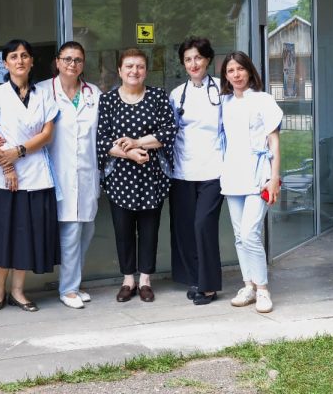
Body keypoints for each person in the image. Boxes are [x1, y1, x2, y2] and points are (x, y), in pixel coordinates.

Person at [0, 39, 59, 313]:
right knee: (3, 234)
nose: (20, 61)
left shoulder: (43, 95)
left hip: (35, 175)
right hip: (2, 178)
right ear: (5, 63)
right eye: (13, 56)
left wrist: (19, 151)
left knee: (25, 235)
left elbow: (47, 135)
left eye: (25, 56)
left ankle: (18, 291)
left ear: (32, 61)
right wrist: (8, 167)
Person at [96, 48, 176, 303]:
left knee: (149, 230)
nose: (134, 71)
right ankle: (128, 279)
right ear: (120, 71)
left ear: (146, 70)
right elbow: (101, 140)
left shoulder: (157, 96)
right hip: (120, 176)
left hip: (152, 175)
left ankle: (145, 280)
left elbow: (168, 131)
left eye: (140, 66)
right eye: (129, 66)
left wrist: (137, 142)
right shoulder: (108, 100)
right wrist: (129, 153)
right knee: (123, 230)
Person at [35, 41, 100, 309]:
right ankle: (68, 289)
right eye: (67, 59)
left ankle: (74, 282)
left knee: (86, 230)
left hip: (87, 172)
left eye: (78, 60)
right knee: (70, 232)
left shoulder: (93, 93)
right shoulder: (42, 91)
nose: (72, 64)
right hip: (56, 172)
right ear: (57, 62)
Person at [219, 51, 282, 314]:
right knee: (239, 236)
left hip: (259, 175)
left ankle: (263, 289)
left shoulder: (263, 100)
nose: (236, 74)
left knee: (249, 233)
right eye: (231, 70)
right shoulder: (224, 103)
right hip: (232, 174)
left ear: (249, 71)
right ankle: (248, 286)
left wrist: (274, 177)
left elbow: (274, 142)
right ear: (225, 75)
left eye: (240, 69)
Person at [168, 37, 224, 305]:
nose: (193, 64)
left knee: (204, 226)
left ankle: (209, 285)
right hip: (182, 172)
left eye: (198, 58)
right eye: (188, 59)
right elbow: (168, 132)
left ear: (208, 60)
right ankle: (196, 280)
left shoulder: (222, 91)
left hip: (214, 170)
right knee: (186, 230)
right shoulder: (176, 94)